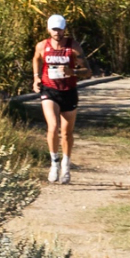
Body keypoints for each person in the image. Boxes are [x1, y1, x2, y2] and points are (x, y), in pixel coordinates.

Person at [36, 14, 89, 183]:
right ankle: (54, 163)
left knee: (66, 133)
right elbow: (36, 59)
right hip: (49, 90)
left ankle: (66, 164)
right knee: (52, 126)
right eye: (54, 29)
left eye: (59, 29)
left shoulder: (73, 47)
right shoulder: (42, 46)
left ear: (64, 29)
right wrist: (36, 77)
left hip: (69, 91)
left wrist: (72, 72)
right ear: (48, 29)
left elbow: (88, 72)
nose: (57, 32)